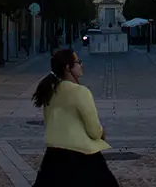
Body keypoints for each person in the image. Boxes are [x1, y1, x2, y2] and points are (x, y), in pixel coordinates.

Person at [31, 48, 119, 186]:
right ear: (68, 67)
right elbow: (94, 130)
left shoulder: (50, 91)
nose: (81, 65)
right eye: (78, 62)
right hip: (81, 156)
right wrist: (102, 133)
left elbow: (49, 122)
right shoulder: (80, 92)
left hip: (53, 157)